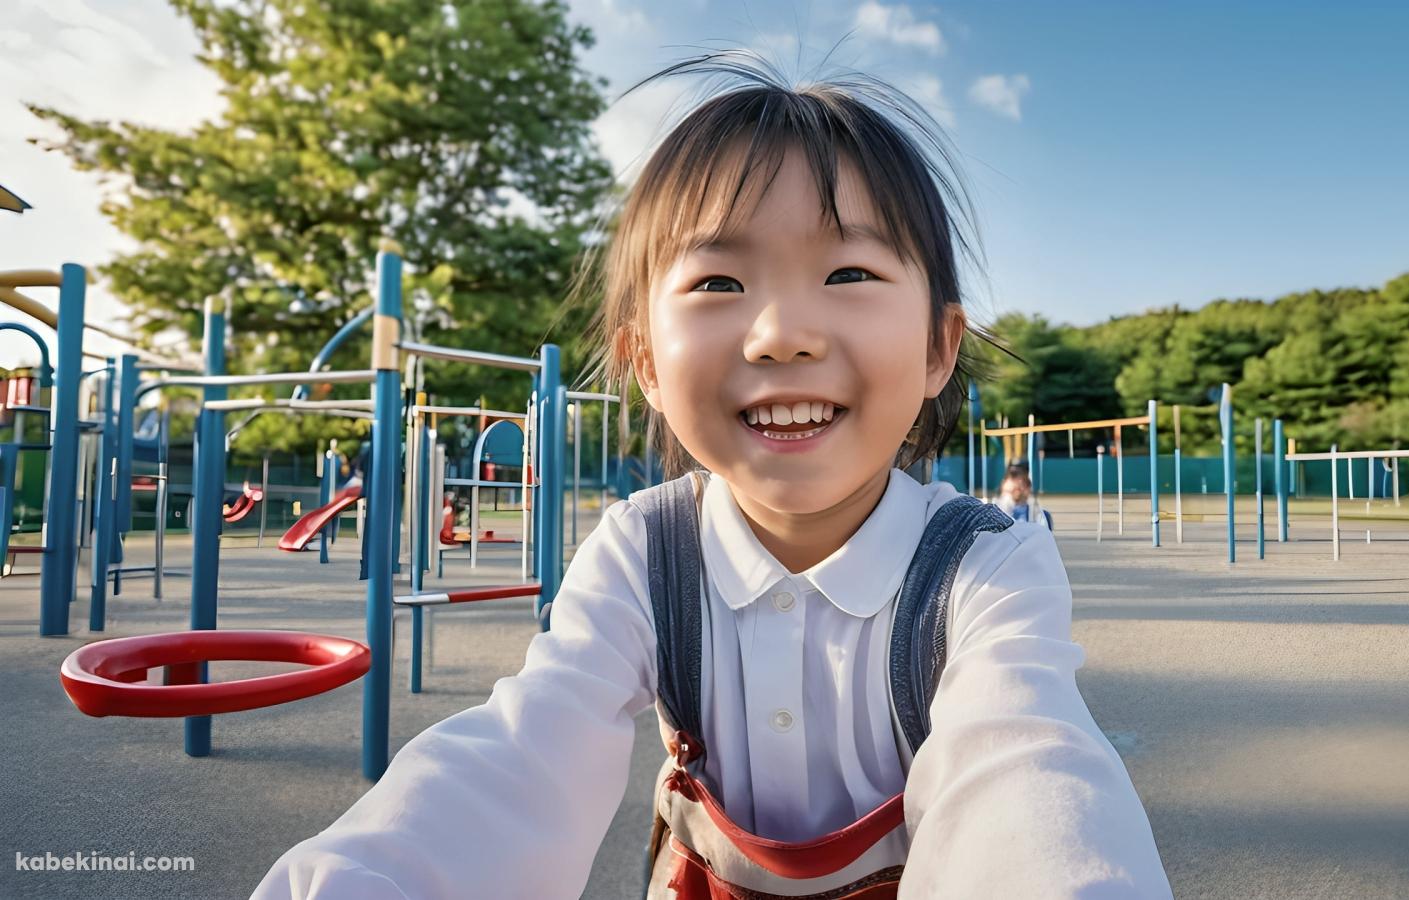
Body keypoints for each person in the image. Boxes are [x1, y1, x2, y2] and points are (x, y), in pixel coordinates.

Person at [255, 55, 1171, 899]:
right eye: (719, 284)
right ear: (645, 361)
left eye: (849, 270)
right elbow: (519, 758)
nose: (781, 333)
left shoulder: (986, 567)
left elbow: (1026, 782)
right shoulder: (643, 552)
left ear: (940, 346)